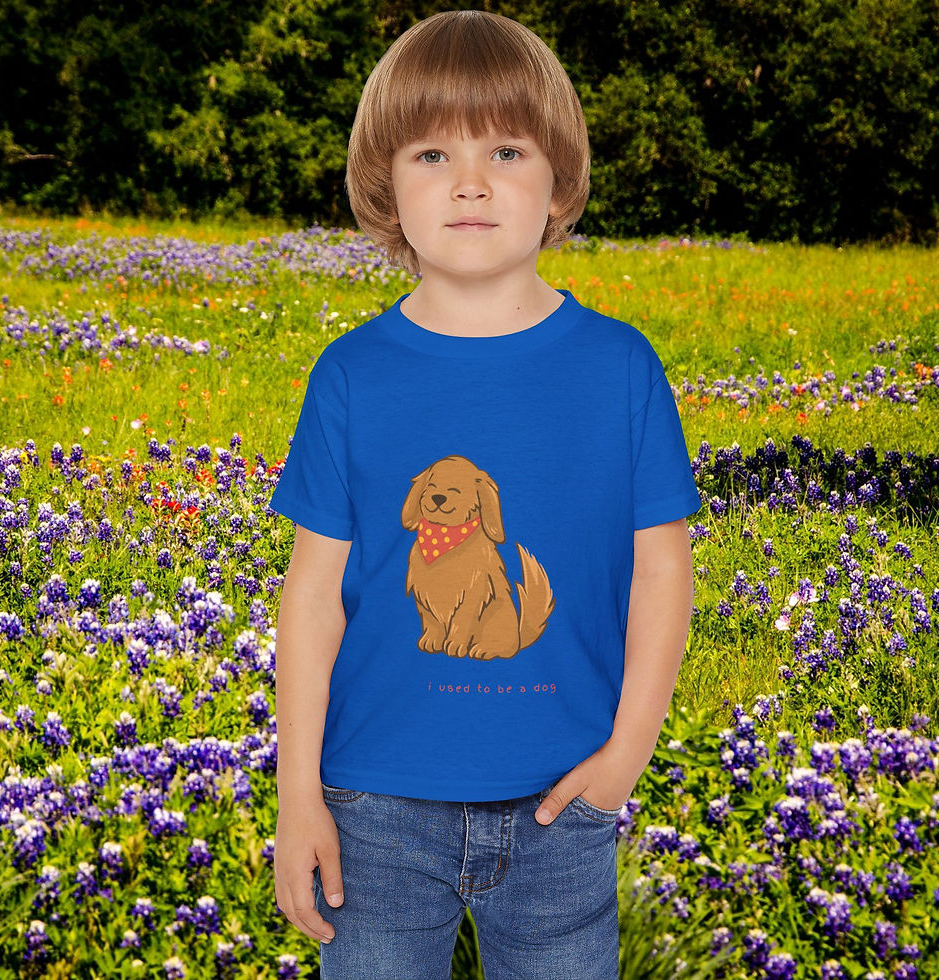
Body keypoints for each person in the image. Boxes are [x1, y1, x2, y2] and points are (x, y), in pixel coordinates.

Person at [270, 9, 701, 979]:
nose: (469, 181)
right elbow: (311, 595)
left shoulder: (618, 368)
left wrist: (623, 756)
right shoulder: (350, 375)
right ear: (384, 186)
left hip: (562, 800)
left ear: (559, 179)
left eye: (506, 148)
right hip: (370, 803)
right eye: (430, 153)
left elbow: (660, 569)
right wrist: (299, 793)